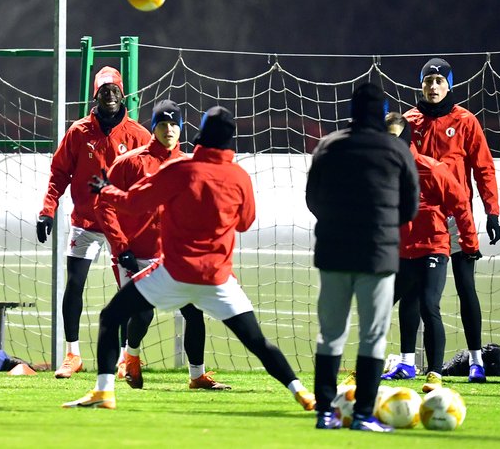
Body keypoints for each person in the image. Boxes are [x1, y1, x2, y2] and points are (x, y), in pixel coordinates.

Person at [66, 106, 315, 411]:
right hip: (218, 279)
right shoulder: (239, 177)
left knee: (111, 317)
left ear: (198, 134)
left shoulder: (180, 170)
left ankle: (104, 392)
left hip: (173, 273)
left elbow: (133, 202)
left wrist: (106, 190)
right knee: (257, 342)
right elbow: (245, 222)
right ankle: (301, 391)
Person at [306, 84, 420, 432]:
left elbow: (312, 198)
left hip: (334, 251)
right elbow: (411, 206)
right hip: (377, 253)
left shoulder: (330, 145)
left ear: (352, 109)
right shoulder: (397, 151)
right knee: (373, 337)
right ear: (381, 109)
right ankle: (364, 416)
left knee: (330, 334)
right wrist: (382, 226)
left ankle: (325, 413)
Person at [96, 99, 229, 391]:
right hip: (134, 256)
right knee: (142, 312)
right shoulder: (130, 162)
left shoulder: (190, 165)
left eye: (174, 124)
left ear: (181, 129)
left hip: (173, 258)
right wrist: (121, 247)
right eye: (163, 124)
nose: (169, 130)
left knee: (194, 312)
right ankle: (130, 357)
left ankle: (197, 376)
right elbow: (104, 204)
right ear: (153, 128)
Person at [37, 66, 151, 379]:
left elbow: (151, 180)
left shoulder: (139, 135)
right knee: (74, 284)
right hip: (86, 222)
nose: (109, 97)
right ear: (96, 95)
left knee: (133, 295)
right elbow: (59, 174)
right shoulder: (78, 132)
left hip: (122, 228)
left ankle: (127, 357)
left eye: (114, 90)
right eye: (104, 91)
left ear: (122, 93)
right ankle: (72, 354)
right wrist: (47, 210)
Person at [401, 57, 500, 384]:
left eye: (439, 81)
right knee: (415, 292)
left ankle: (476, 361)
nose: (433, 86)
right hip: (421, 221)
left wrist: (492, 211)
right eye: (428, 80)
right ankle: (407, 361)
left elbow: (484, 168)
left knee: (465, 286)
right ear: (421, 84)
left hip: (457, 218)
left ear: (449, 85)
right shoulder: (407, 122)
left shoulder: (465, 121)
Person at [382, 113, 480, 393]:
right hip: (401, 252)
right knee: (378, 306)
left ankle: (435, 374)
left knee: (428, 304)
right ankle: (401, 365)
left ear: (404, 139)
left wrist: (470, 246)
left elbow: (461, 205)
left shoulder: (432, 169)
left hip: (432, 249)